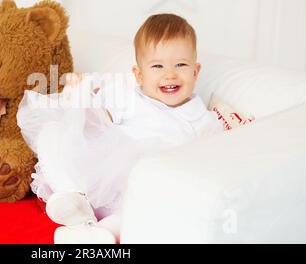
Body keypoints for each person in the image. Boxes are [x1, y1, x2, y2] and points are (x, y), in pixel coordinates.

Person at [17, 14, 224, 244]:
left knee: (146, 202)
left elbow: (212, 156)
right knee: (53, 132)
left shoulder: (201, 117)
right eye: (157, 66)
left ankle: (96, 232)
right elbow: (95, 121)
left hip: (145, 186)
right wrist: (80, 95)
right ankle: (71, 197)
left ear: (195, 72)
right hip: (101, 176)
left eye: (181, 65)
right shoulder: (127, 95)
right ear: (139, 74)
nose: (170, 74)